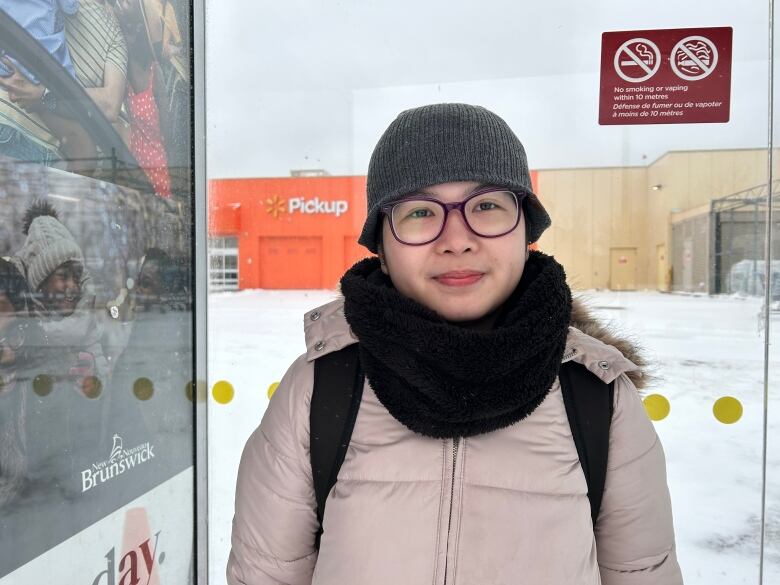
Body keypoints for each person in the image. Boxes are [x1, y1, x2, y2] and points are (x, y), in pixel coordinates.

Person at [227, 103, 683, 585]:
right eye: (421, 212)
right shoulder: (318, 391)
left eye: (486, 205)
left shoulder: (598, 399)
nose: (457, 239)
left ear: (526, 229)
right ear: (381, 246)